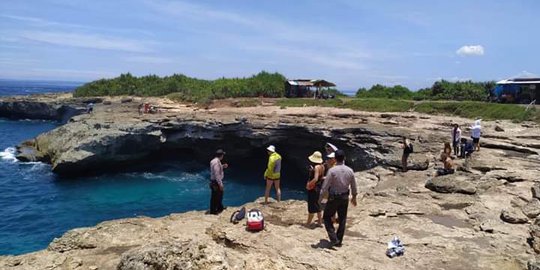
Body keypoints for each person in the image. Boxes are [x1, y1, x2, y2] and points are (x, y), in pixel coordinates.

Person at [320, 150, 358, 247]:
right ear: (344, 158)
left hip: (334, 196)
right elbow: (353, 185)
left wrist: (320, 198)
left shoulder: (332, 171)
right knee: (342, 219)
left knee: (326, 217)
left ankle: (333, 238)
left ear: (335, 159)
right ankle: (339, 241)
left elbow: (325, 186)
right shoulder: (350, 170)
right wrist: (354, 197)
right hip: (345, 196)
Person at [306, 151, 325, 227]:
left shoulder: (316, 167)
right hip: (319, 187)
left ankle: (308, 223)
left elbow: (316, 178)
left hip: (314, 188)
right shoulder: (322, 166)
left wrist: (309, 185)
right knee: (317, 205)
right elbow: (321, 177)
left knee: (311, 206)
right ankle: (319, 222)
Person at [209, 149, 228, 214]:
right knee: (215, 197)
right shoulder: (217, 162)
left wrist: (222, 166)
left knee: (219, 195)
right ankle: (213, 211)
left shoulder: (214, 161)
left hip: (213, 182)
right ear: (221, 155)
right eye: (223, 155)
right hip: (216, 182)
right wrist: (220, 184)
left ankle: (220, 208)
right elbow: (217, 174)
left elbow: (215, 170)